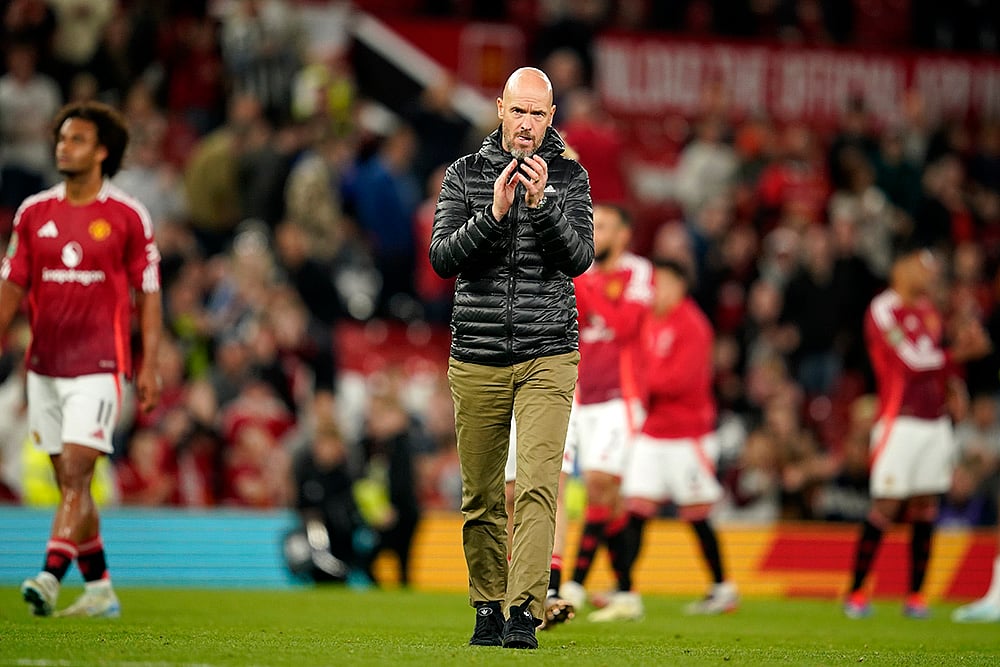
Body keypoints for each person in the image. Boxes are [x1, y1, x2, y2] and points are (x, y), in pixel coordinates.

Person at [430, 67, 593, 649]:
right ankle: (487, 608)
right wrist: (494, 215)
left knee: (538, 484)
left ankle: (524, 611)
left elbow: (579, 259)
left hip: (548, 352)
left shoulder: (570, 178)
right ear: (500, 109)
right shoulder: (465, 176)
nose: (527, 126)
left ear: (552, 119)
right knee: (479, 494)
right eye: (519, 112)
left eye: (539, 115)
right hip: (477, 355)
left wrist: (543, 202)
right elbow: (443, 260)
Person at [4, 100, 163, 617]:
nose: (63, 147)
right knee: (67, 481)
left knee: (76, 470)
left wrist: (150, 363)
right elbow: (11, 286)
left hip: (99, 366)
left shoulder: (127, 216)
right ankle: (99, 590)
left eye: (76, 140)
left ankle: (50, 576)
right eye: (61, 138)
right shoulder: (34, 213)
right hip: (44, 366)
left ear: (102, 152)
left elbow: (149, 292)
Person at [844, 242, 990, 619]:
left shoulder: (929, 311)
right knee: (888, 505)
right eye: (923, 267)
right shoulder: (883, 309)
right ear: (903, 268)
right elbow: (909, 360)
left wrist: (956, 386)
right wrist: (958, 355)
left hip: (934, 422)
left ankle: (916, 596)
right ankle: (857, 591)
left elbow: (938, 360)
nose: (931, 275)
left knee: (926, 506)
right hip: (900, 420)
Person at [589, 258, 739, 622]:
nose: (656, 292)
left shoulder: (693, 325)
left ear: (680, 287)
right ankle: (622, 585)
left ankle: (722, 586)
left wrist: (637, 382)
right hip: (652, 432)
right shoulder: (649, 321)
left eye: (664, 285)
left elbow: (680, 380)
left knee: (696, 513)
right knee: (636, 511)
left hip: (689, 434)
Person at [557, 204, 652, 612]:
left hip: (622, 396)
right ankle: (627, 591)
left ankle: (574, 583)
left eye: (604, 226)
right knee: (608, 498)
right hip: (582, 395)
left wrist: (588, 290)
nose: (595, 232)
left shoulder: (638, 273)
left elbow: (626, 326)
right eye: (591, 224)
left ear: (624, 235)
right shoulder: (580, 274)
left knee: (598, 483)